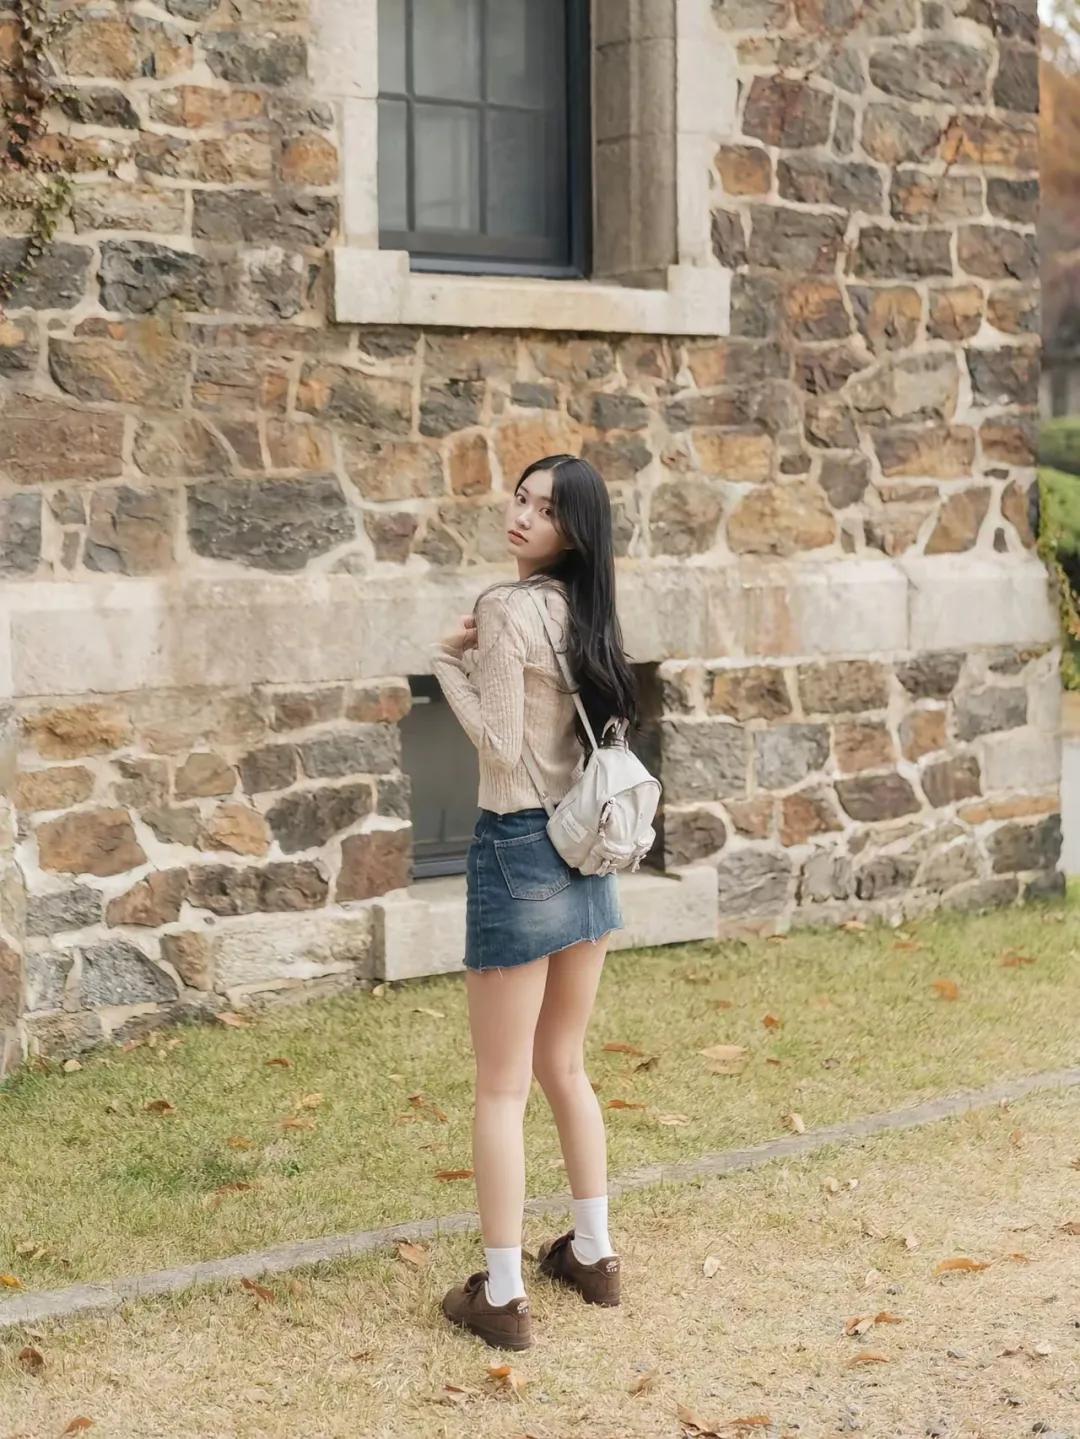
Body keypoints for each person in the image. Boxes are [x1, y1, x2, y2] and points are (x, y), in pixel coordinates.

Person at [428, 453, 640, 1351]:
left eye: (546, 509)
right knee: (566, 1064)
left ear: (573, 531)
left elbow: (502, 745)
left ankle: (504, 1293)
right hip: (588, 849)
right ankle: (593, 1253)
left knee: (501, 1086)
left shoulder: (509, 607)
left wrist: (446, 659)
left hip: (518, 846)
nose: (522, 515)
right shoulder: (586, 610)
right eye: (520, 498)